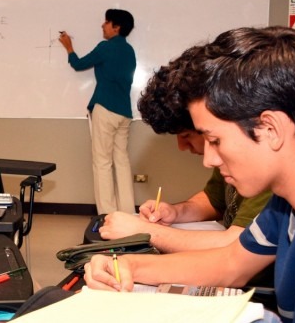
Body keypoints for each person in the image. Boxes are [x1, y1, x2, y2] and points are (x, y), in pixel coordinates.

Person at [85, 26, 295, 322]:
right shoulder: (290, 198)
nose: (208, 159)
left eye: (215, 140)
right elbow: (231, 263)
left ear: (271, 129)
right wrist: (127, 266)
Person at [99, 45, 272, 253]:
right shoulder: (226, 155)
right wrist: (175, 211)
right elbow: (214, 200)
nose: (209, 159)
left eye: (187, 135)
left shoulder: (267, 165)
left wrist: (145, 232)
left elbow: (237, 248)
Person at [59, 9, 136, 214]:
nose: (103, 25)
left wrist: (68, 47)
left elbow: (78, 64)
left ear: (116, 27)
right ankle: (128, 213)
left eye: (107, 22)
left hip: (105, 108)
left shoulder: (105, 47)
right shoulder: (130, 51)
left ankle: (107, 215)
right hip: (124, 113)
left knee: (102, 162)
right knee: (121, 161)